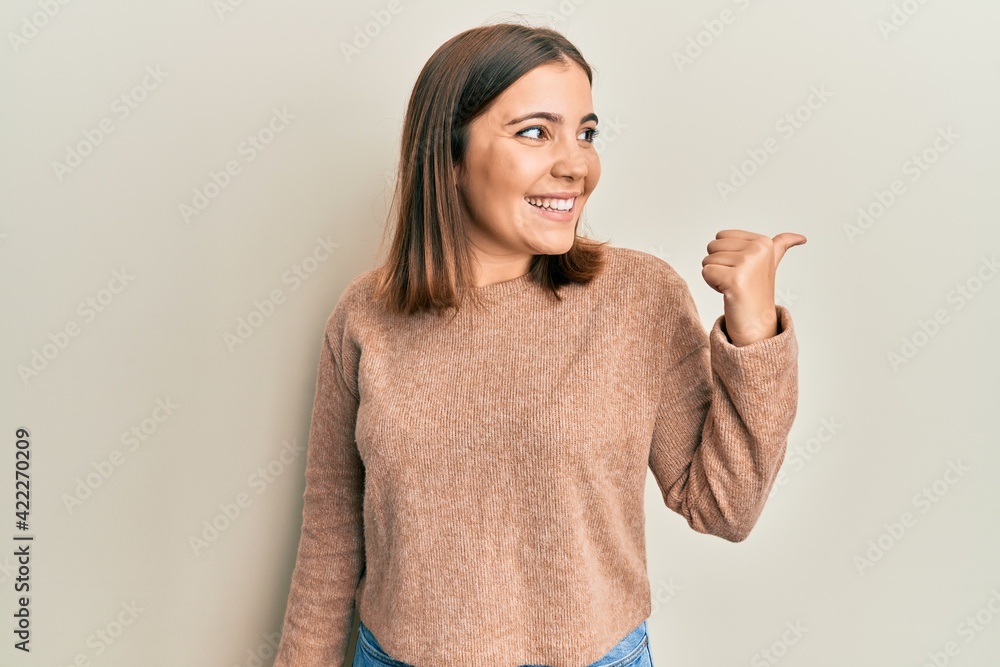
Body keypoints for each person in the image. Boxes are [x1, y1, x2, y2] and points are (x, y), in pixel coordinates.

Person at [273, 21, 804, 667]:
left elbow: (724, 506)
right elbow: (332, 533)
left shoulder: (640, 298)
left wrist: (754, 330)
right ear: (449, 157)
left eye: (586, 133)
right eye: (534, 132)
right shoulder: (366, 314)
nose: (576, 164)